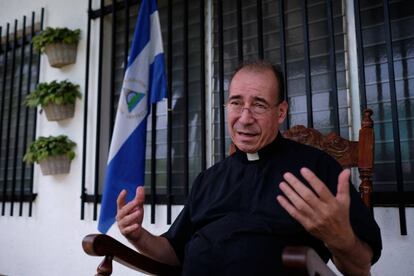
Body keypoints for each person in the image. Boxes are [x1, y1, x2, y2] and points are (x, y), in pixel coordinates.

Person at [116, 60, 382, 275]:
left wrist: (340, 238)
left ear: (280, 112)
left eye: (258, 105)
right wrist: (138, 236)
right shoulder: (209, 179)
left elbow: (360, 267)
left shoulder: (316, 170)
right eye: (236, 103)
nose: (244, 118)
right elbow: (174, 252)